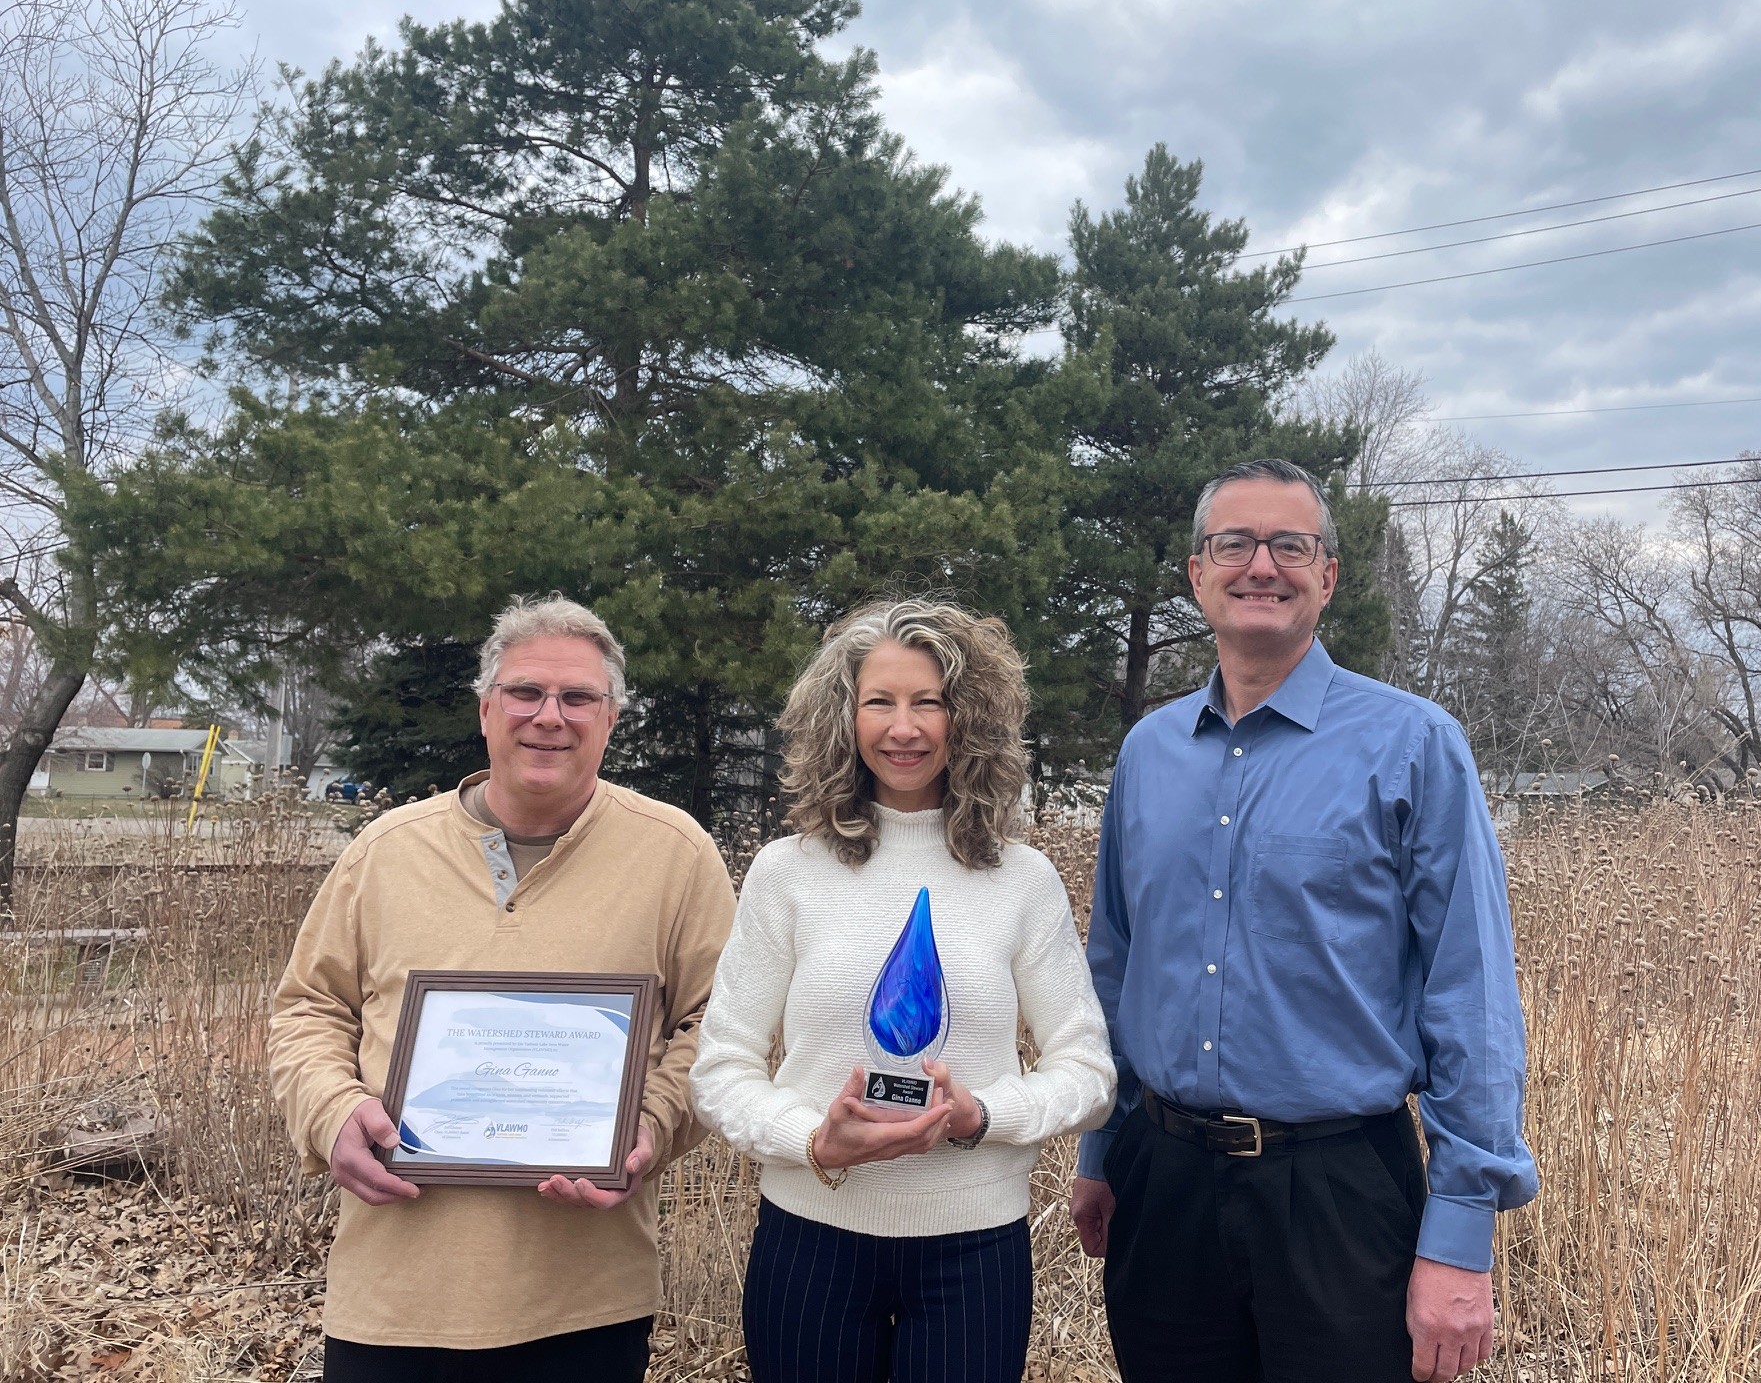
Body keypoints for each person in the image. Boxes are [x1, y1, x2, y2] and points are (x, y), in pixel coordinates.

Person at [1068, 459, 1538, 1383]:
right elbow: (1116, 964)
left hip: (1340, 1192)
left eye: (1292, 545)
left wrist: (1460, 1231)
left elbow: (1470, 989)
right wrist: (1101, 1145)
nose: (1262, 565)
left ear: (1328, 576)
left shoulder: (1413, 745)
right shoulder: (1148, 753)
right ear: (1197, 574)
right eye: (1234, 543)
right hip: (1161, 1181)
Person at [270, 595, 737, 1382]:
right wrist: (332, 1111)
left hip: (585, 1298)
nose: (549, 717)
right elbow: (308, 1009)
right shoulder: (386, 850)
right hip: (395, 1295)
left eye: (578, 697)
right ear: (486, 709)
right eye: (525, 692)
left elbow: (721, 1025)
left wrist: (652, 1125)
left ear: (611, 718)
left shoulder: (676, 853)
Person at [692, 599, 1116, 1383]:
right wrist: (812, 1140)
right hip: (810, 1239)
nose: (904, 728)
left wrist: (982, 1116)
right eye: (879, 702)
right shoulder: (787, 873)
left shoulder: (1022, 881)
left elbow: (1088, 1074)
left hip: (974, 1254)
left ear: (971, 719)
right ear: (842, 720)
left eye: (930, 702)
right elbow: (720, 1072)